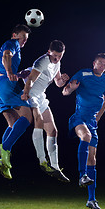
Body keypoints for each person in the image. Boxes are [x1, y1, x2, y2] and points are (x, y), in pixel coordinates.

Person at [62, 53, 105, 209]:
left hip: (92, 121)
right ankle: (82, 175)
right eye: (100, 63)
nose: (102, 66)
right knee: (86, 136)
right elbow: (65, 91)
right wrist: (71, 88)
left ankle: (91, 200)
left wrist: (98, 118)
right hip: (79, 117)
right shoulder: (83, 73)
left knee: (93, 158)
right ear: (94, 63)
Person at [0, 24, 33, 180]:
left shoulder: (15, 47)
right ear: (14, 35)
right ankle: (4, 148)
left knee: (12, 124)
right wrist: (11, 72)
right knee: (27, 117)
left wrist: (19, 74)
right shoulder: (11, 43)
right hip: (6, 85)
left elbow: (3, 64)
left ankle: (3, 162)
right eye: (22, 38)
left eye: (26, 39)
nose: (24, 41)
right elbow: (6, 56)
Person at [21, 40, 70, 182]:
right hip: (31, 93)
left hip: (41, 96)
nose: (56, 59)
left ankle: (55, 167)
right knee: (39, 121)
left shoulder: (57, 63)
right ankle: (42, 161)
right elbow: (30, 79)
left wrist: (63, 80)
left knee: (53, 130)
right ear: (49, 52)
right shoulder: (41, 61)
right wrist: (25, 93)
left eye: (59, 56)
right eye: (54, 56)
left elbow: (58, 82)